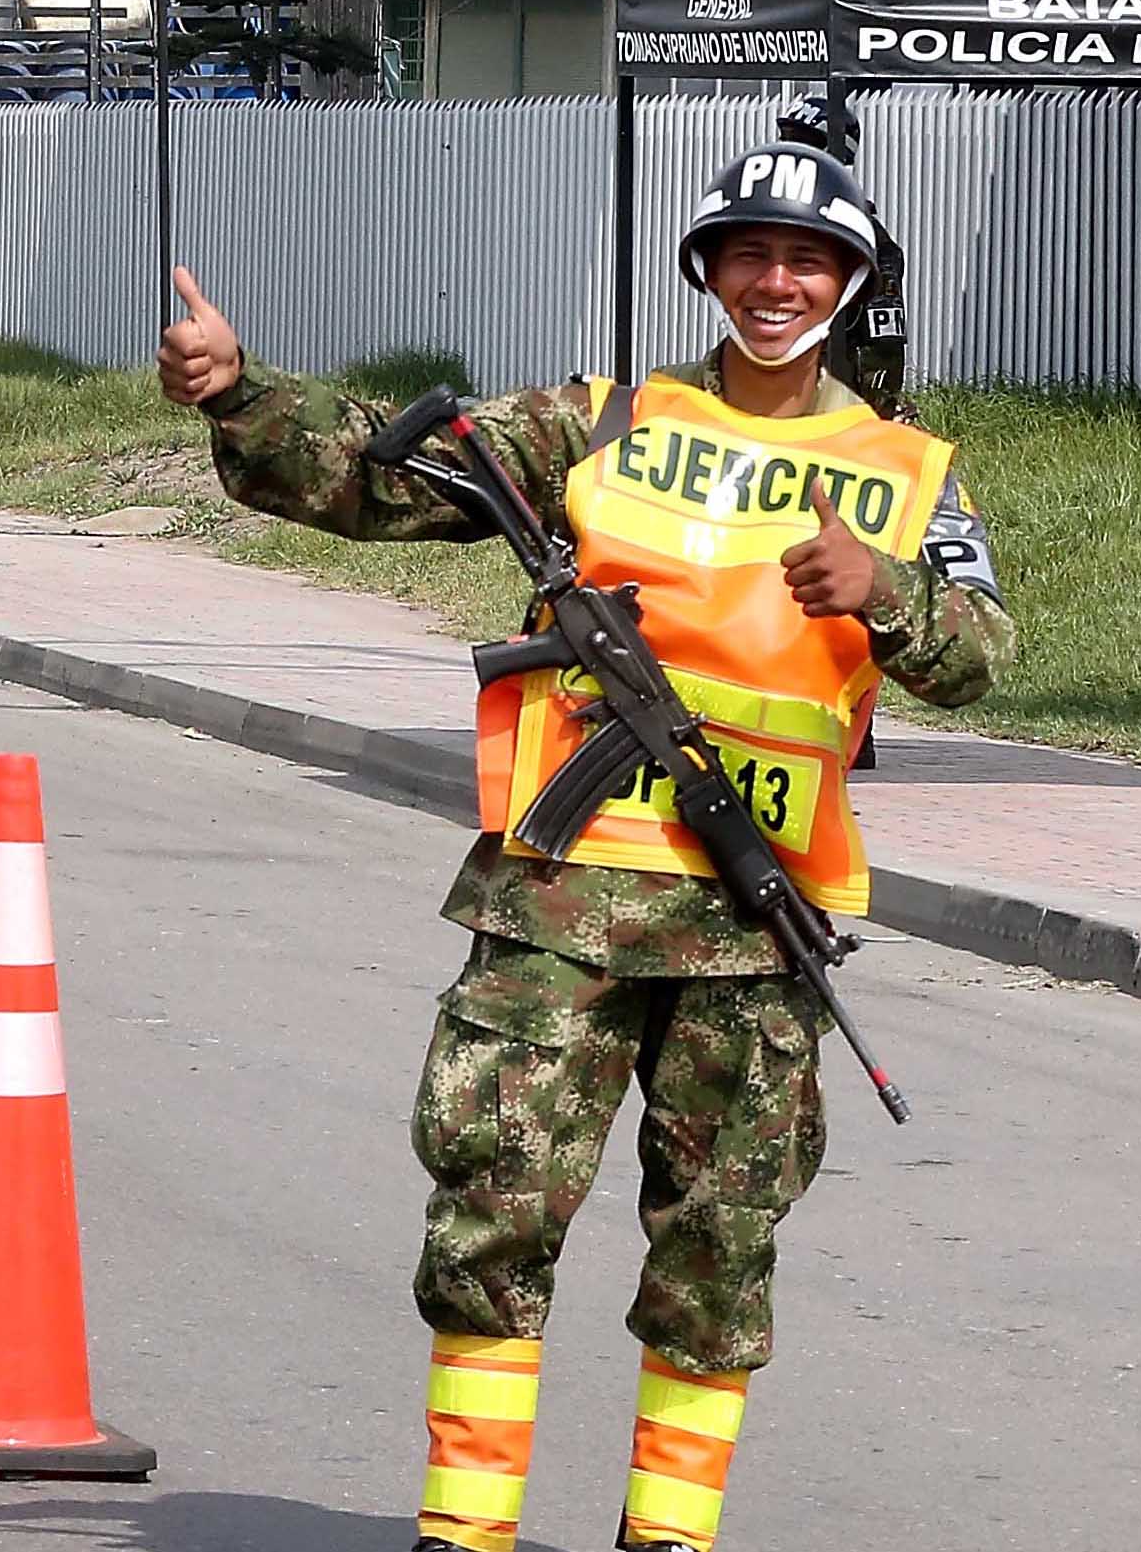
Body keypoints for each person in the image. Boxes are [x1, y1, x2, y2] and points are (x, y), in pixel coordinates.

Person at [158, 135, 1011, 1552]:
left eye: (807, 260)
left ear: (849, 284)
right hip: (561, 897)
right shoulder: (603, 422)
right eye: (747, 254)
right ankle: (465, 1532)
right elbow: (388, 475)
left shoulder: (903, 472)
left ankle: (668, 1538)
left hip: (755, 921)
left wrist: (887, 590)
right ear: (708, 272)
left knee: (718, 1246)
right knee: (492, 1208)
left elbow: (981, 654)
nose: (776, 281)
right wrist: (240, 393)